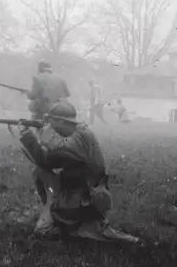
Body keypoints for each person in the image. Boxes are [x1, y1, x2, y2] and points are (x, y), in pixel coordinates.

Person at [17, 101, 139, 243]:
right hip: (72, 193)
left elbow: (64, 149)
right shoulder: (67, 137)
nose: (50, 125)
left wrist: (48, 134)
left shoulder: (82, 134)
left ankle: (66, 222)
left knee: (93, 234)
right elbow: (46, 161)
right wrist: (27, 136)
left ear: (61, 122)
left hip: (86, 197)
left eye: (52, 122)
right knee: (41, 173)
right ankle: (59, 217)